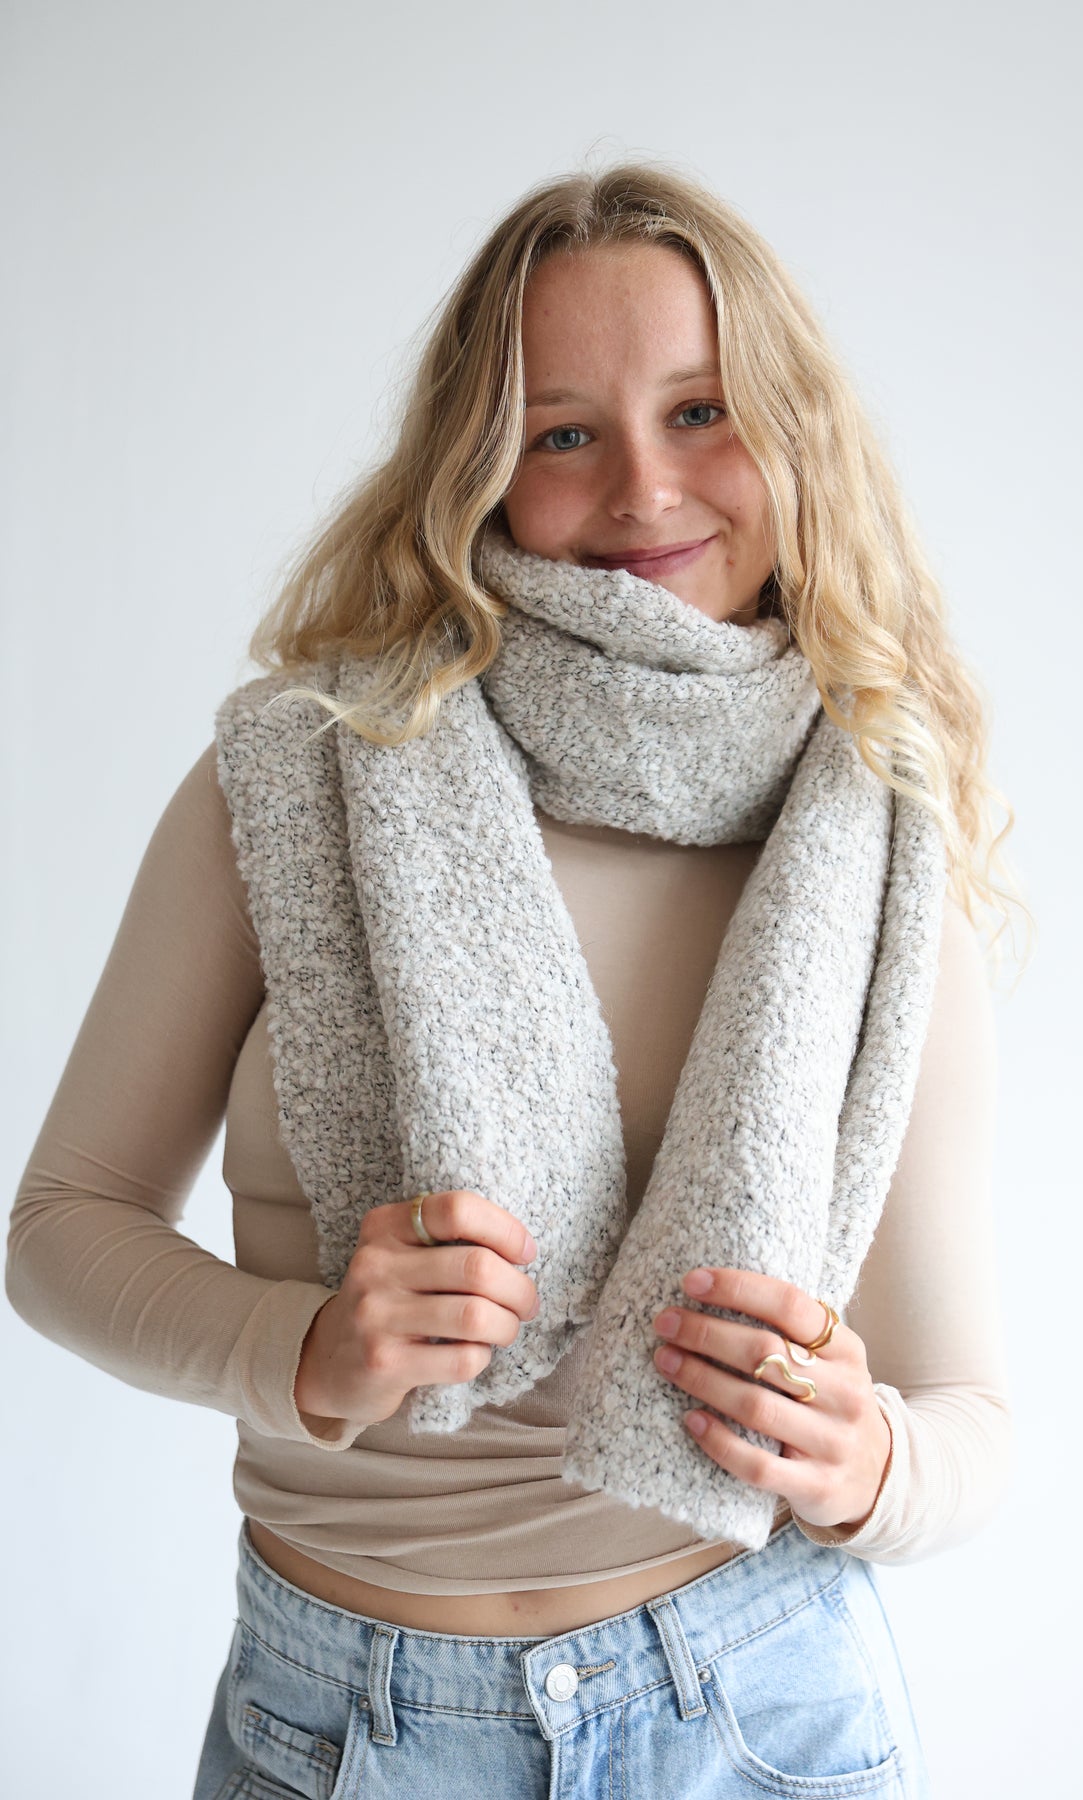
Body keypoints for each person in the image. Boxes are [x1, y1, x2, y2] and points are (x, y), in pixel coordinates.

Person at [7, 162, 1022, 1799]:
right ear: (479, 468)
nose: (642, 488)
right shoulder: (302, 778)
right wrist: (309, 1348)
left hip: (753, 1707)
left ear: (793, 435)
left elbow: (969, 1414)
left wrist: (867, 1459)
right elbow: (62, 1229)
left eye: (701, 411)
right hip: (339, 1723)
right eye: (563, 433)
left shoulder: (878, 845)